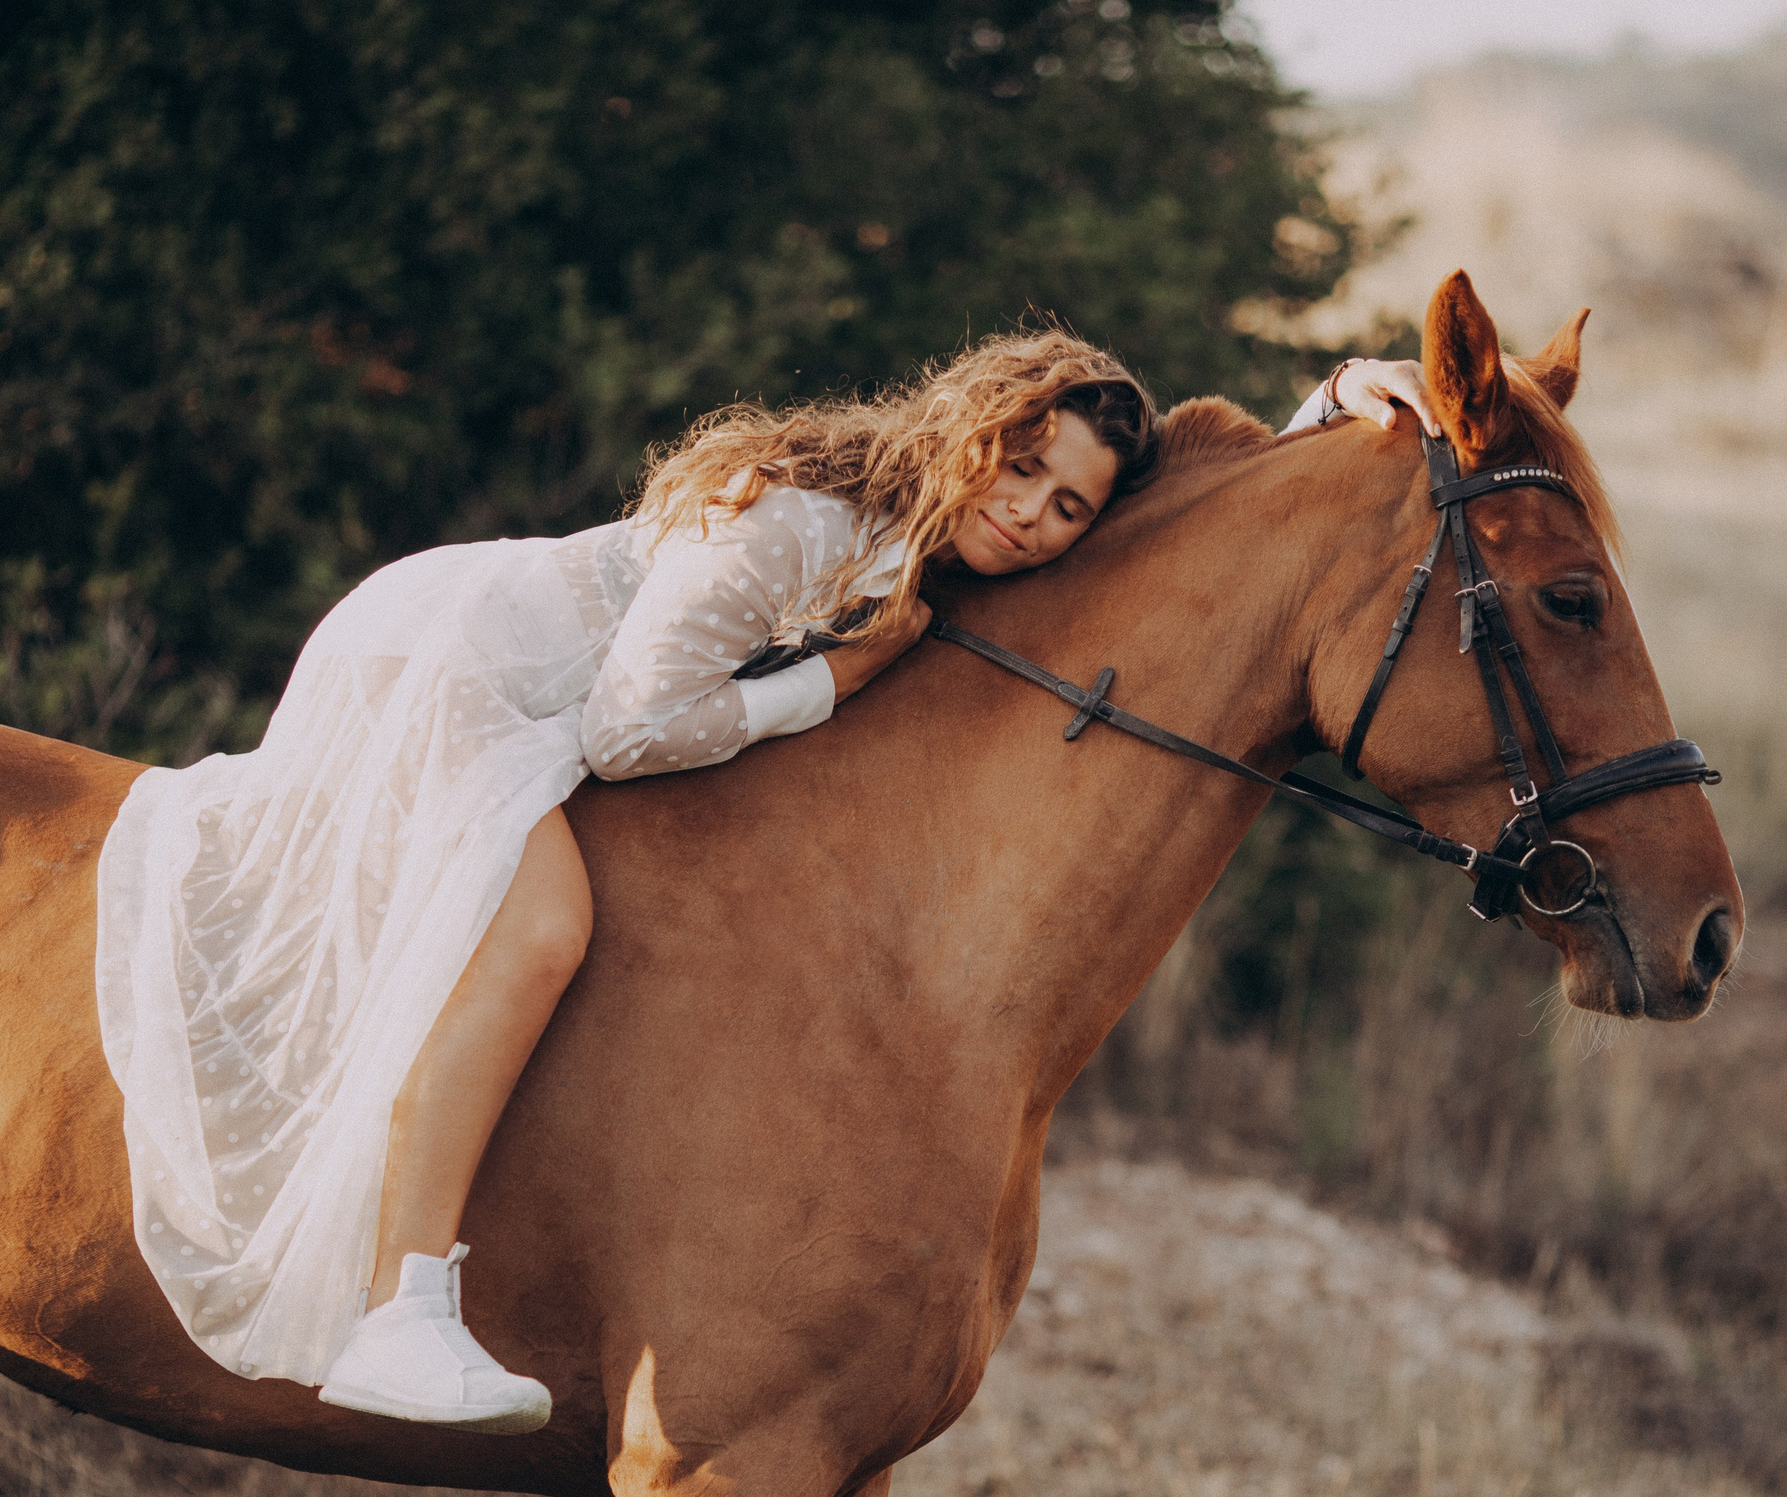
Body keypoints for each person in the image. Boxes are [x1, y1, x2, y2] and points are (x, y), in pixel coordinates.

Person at [94, 336, 1433, 1433]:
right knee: (538, 928)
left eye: (1069, 503)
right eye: (1022, 467)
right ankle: (404, 1310)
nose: (1034, 514)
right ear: (971, 429)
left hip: (552, 697)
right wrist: (834, 682)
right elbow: (629, 728)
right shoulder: (803, 522)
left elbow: (1177, 532)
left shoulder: (941, 548)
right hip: (454, 669)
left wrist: (1330, 412)